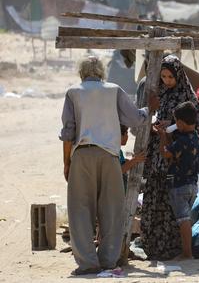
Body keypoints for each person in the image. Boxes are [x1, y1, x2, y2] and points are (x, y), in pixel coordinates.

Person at [59, 56, 155, 275]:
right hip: (110, 155)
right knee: (112, 209)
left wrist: (67, 163)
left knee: (80, 210)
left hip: (82, 155)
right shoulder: (114, 90)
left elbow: (68, 133)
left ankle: (87, 263)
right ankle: (108, 260)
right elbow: (134, 119)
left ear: (81, 73)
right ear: (102, 72)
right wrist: (150, 110)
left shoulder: (73, 92)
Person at [140, 55, 199, 260]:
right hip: (158, 156)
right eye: (164, 76)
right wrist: (155, 124)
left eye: (170, 76)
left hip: (176, 161)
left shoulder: (188, 99)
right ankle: (153, 247)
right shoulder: (160, 94)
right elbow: (151, 120)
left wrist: (171, 126)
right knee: (155, 199)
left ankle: (178, 249)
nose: (167, 80)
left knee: (175, 210)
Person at [156, 101, 199, 260]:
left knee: (183, 220)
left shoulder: (182, 141)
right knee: (186, 219)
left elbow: (166, 153)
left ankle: (187, 253)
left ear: (181, 123)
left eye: (176, 122)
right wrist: (169, 137)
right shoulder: (196, 138)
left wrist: (162, 137)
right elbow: (176, 153)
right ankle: (186, 251)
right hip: (192, 185)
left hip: (178, 185)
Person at [118, 125, 146, 189]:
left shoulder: (119, 151)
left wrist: (130, 161)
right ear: (120, 136)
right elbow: (120, 170)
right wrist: (135, 160)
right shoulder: (116, 151)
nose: (127, 136)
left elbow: (122, 162)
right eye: (126, 133)